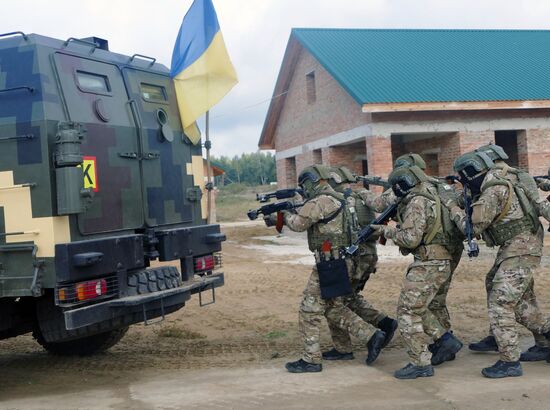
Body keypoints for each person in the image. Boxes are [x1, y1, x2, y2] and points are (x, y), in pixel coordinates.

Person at [268, 165, 386, 373]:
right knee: (334, 307)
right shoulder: (339, 198)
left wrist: (283, 215)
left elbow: (298, 224)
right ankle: (353, 344)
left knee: (309, 309)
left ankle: (311, 359)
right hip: (342, 261)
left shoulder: (321, 201)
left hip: (330, 263)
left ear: (310, 182)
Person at [450, 149, 550, 378]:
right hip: (518, 245)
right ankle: (545, 341)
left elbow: (472, 228)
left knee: (500, 301)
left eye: (463, 178)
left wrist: (453, 209)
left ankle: (509, 361)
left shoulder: (493, 189)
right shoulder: (504, 178)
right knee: (519, 298)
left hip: (520, 247)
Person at [361, 153, 464, 364]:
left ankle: (429, 354)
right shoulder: (440, 187)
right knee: (434, 300)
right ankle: (444, 342)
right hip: (450, 250)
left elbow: (383, 206)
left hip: (430, 255)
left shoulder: (415, 196)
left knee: (411, 307)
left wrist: (384, 227)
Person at [321, 166, 398, 361]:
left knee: (333, 302)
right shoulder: (362, 196)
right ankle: (384, 323)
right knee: (349, 298)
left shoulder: (333, 201)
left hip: (350, 259)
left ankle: (363, 339)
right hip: (369, 255)